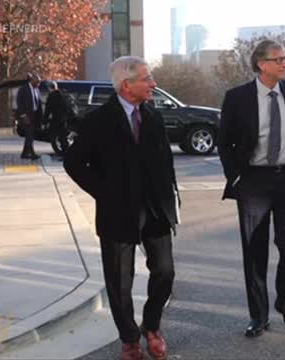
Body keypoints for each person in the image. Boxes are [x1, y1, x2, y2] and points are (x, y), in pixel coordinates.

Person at [63, 56, 179, 360]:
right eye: (147, 78)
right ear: (127, 85)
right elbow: (74, 162)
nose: (153, 83)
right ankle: (129, 339)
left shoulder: (153, 116)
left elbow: (165, 161)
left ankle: (151, 326)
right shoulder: (98, 120)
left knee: (165, 272)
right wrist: (104, 192)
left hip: (156, 211)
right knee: (119, 281)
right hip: (118, 214)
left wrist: (172, 198)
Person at [218, 40, 285, 338]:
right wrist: (236, 176)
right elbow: (225, 141)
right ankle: (258, 316)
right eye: (278, 59)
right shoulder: (237, 97)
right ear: (261, 64)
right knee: (254, 251)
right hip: (253, 180)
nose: (284, 63)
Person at [16, 73, 42, 160]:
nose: (38, 84)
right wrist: (23, 116)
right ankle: (32, 154)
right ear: (32, 80)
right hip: (26, 116)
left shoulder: (37, 90)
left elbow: (38, 104)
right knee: (29, 135)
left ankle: (24, 153)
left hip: (34, 115)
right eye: (37, 82)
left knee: (30, 135)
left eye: (39, 82)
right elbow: (19, 103)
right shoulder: (23, 89)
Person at [43, 81, 70, 155]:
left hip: (56, 120)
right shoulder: (63, 94)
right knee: (63, 138)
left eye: (48, 88)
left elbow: (48, 110)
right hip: (64, 120)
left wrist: (44, 121)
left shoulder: (52, 96)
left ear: (50, 88)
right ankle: (65, 153)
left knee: (58, 137)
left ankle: (64, 154)